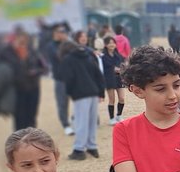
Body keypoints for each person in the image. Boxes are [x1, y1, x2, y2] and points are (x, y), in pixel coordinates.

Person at [57, 31, 105, 161]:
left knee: (81, 122)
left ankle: (79, 149)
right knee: (91, 121)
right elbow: (98, 75)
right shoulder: (88, 56)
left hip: (80, 93)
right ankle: (92, 146)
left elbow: (68, 78)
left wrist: (71, 92)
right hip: (93, 92)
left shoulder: (68, 60)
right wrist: (101, 92)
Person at [0, 28, 47, 131]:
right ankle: (18, 142)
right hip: (17, 90)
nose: (22, 42)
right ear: (15, 39)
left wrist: (35, 72)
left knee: (31, 116)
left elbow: (44, 68)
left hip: (33, 88)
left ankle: (31, 140)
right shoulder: (7, 53)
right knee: (19, 118)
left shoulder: (33, 51)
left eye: (25, 39)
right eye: (20, 39)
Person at [42, 24, 72, 135]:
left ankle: (71, 118)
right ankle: (65, 124)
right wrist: (65, 44)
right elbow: (59, 56)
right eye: (61, 31)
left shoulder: (67, 44)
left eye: (64, 31)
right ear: (56, 33)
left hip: (71, 77)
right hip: (60, 79)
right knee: (62, 102)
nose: (64, 33)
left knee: (75, 99)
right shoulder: (51, 46)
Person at [100, 35, 126, 124]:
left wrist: (122, 69)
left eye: (113, 43)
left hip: (119, 78)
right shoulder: (103, 56)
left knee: (122, 98)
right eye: (110, 43)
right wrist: (114, 69)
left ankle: (119, 115)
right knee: (112, 99)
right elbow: (103, 68)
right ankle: (111, 118)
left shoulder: (118, 55)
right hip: (109, 79)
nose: (112, 45)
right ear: (106, 45)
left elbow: (123, 64)